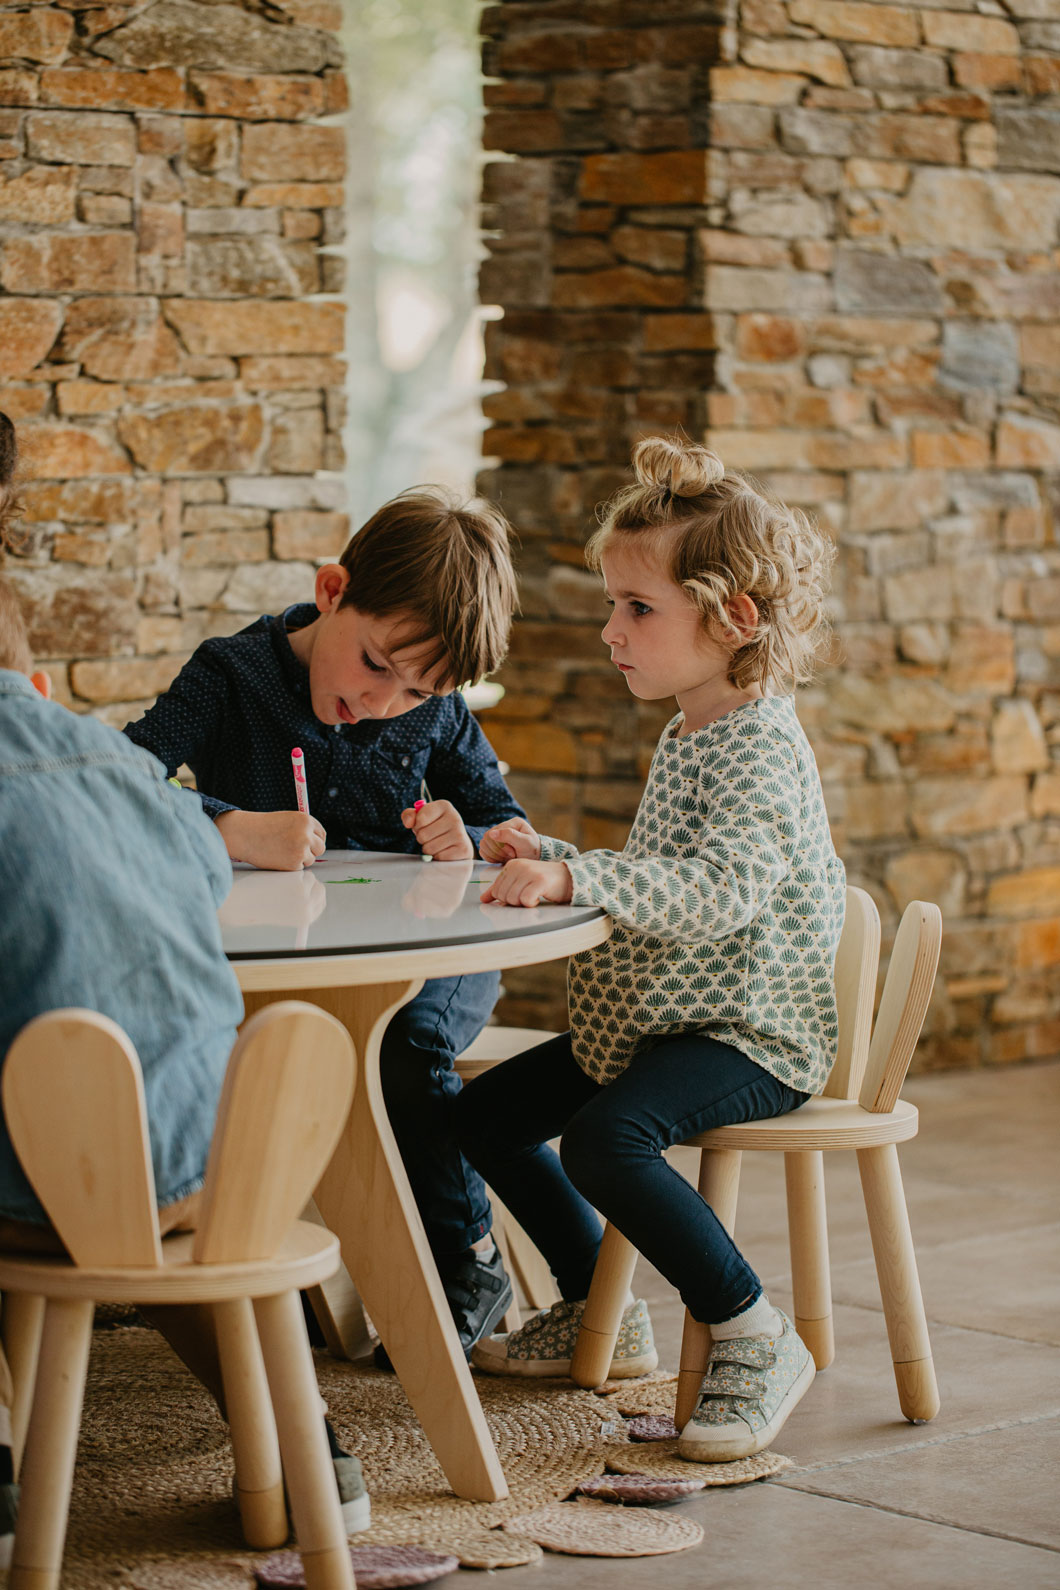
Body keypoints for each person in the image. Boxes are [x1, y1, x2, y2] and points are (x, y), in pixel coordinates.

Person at [0, 413, 367, 1559]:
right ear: (40, 680)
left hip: (43, 1181)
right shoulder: (120, 769)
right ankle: (307, 1446)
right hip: (223, 1164)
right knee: (154, 1186)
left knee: (66, 1147)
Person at [455, 437, 846, 1463]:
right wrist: (552, 854)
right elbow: (666, 871)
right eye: (612, 605)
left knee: (602, 1138)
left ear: (733, 620)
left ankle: (755, 1330)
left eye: (638, 609)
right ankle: (598, 1302)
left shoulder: (757, 741)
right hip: (670, 1023)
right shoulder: (691, 730)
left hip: (748, 1035)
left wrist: (580, 875)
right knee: (485, 1118)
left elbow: (722, 892)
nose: (609, 631)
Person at [123, 488, 524, 1358]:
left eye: (418, 691)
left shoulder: (431, 705)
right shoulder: (231, 673)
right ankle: (262, 1252)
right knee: (245, 1054)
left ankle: (470, 1260)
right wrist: (226, 822)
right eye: (377, 666)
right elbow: (120, 781)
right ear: (333, 590)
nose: (386, 703)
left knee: (401, 1041)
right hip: (285, 965)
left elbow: (503, 819)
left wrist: (474, 830)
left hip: (428, 961)